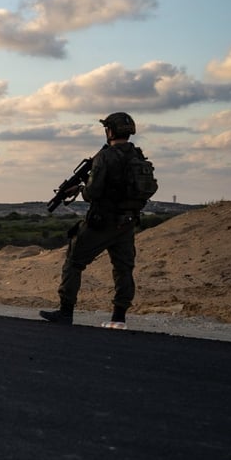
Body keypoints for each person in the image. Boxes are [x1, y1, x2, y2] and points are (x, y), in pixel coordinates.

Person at [40, 112, 154, 329]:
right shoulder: (137, 156)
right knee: (123, 269)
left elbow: (93, 193)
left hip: (102, 222)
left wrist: (81, 189)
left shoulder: (105, 157)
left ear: (109, 131)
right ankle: (119, 318)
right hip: (127, 222)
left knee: (74, 261)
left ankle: (66, 312)